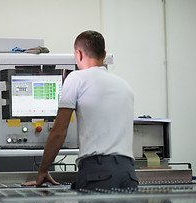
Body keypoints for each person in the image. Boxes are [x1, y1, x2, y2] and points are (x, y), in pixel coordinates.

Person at [22, 30, 138, 191]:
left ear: (78, 54)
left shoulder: (77, 78)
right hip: (128, 173)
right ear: (104, 54)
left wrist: (42, 171)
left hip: (98, 172)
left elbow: (59, 131)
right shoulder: (124, 86)